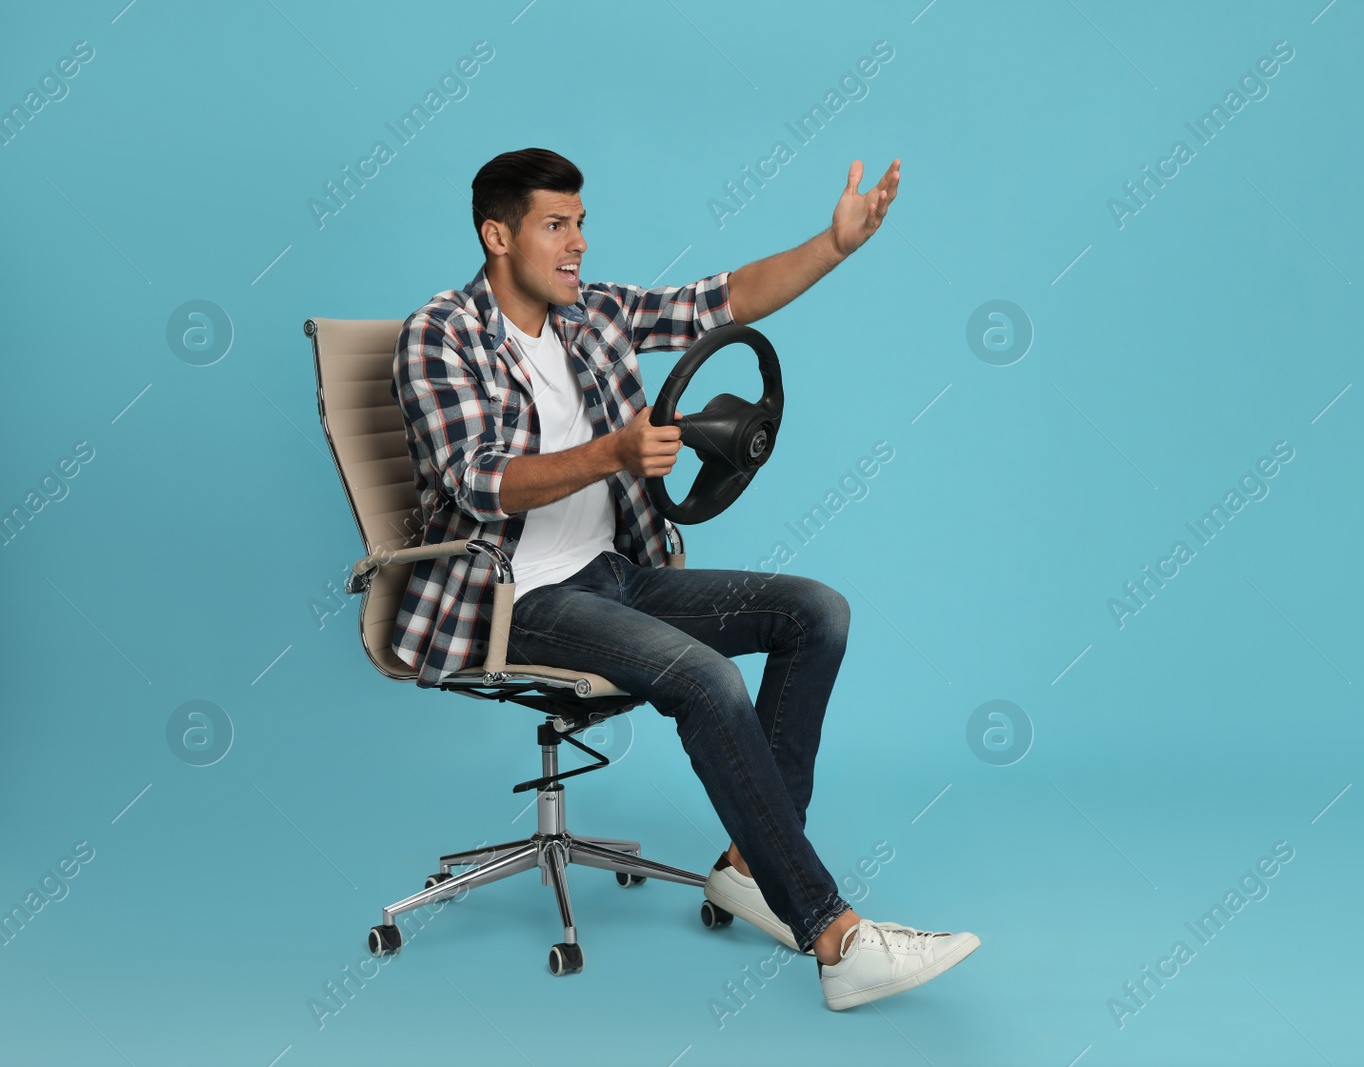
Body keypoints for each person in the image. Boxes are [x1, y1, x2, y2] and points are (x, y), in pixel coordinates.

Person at [390, 147, 978, 1010]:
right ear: (497, 235)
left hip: (614, 576)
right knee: (707, 678)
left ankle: (749, 869)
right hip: (514, 598)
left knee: (815, 612)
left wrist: (835, 243)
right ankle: (836, 935)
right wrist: (616, 452)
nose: (577, 243)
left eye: (581, 223)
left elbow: (727, 298)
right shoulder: (439, 335)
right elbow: (484, 482)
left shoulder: (590, 316)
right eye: (556, 225)